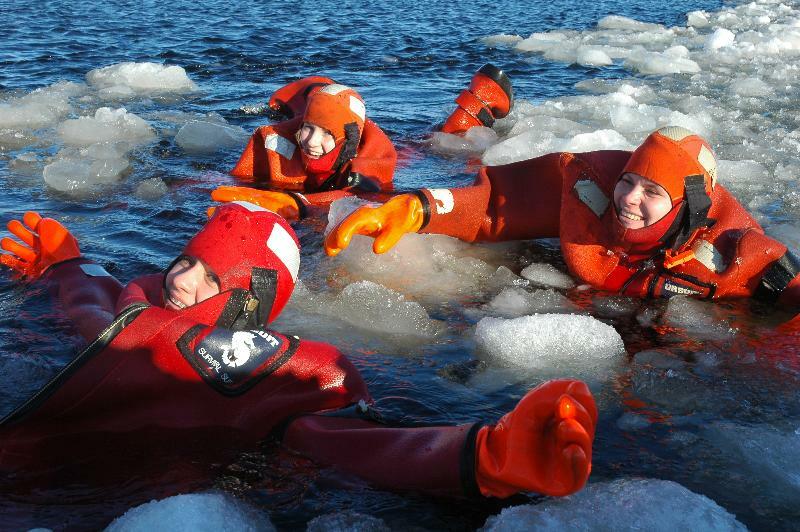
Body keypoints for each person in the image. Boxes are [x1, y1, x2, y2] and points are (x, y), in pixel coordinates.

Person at [0, 202, 596, 499]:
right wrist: (67, 264)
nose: (182, 282)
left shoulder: (269, 372)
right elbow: (94, 307)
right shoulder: (137, 301)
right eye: (187, 261)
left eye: (213, 279)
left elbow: (356, 441)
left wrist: (479, 457)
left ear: (247, 306)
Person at [324, 126, 800, 308]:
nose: (629, 198)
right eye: (630, 180)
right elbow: (495, 206)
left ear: (688, 207)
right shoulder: (589, 185)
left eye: (652, 192)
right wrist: (419, 207)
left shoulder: (735, 254)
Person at [211, 65, 513, 221]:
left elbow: (355, 198)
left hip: (382, 159)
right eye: (307, 129)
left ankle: (471, 111)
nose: (310, 143)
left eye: (325, 134)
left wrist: (299, 205)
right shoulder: (276, 140)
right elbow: (235, 179)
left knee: (421, 148)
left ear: (348, 139)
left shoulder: (371, 160)